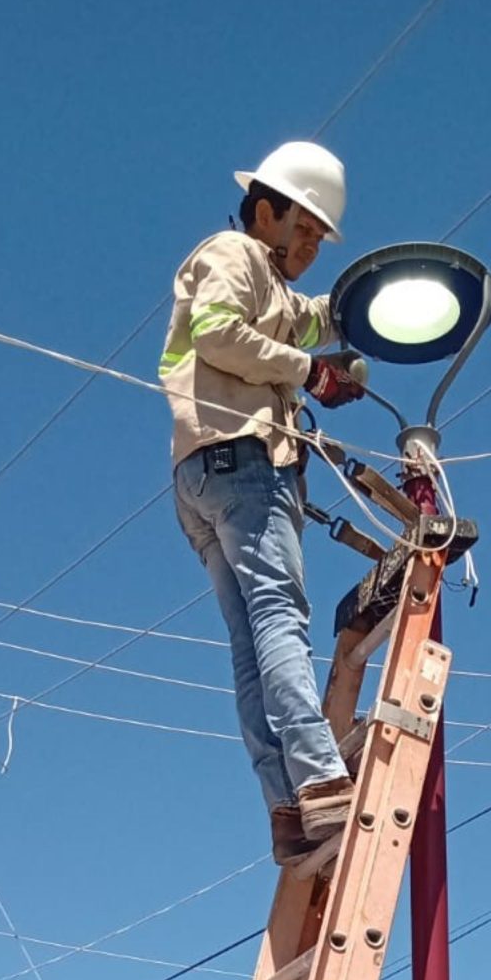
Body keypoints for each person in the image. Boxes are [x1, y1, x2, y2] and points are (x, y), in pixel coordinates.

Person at [160, 141, 368, 865]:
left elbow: (319, 319)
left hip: (203, 478)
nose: (310, 245)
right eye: (303, 227)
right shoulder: (234, 254)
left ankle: (286, 808)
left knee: (251, 644)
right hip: (243, 464)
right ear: (264, 210)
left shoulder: (274, 290)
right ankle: (321, 781)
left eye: (319, 237)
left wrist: (357, 321)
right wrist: (310, 371)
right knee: (280, 619)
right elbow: (218, 333)